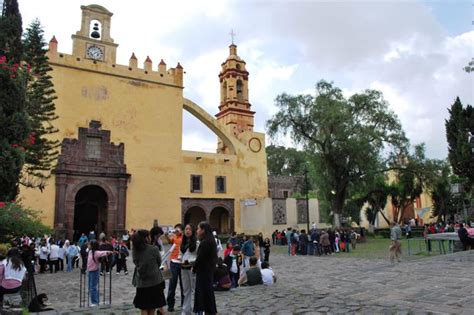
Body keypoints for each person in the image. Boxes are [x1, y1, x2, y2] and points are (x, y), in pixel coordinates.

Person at [132, 229, 166, 315]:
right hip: (155, 282)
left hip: (142, 283)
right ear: (146, 238)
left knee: (143, 307)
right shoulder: (153, 249)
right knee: (152, 307)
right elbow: (159, 262)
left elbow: (135, 262)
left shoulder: (135, 250)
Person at [193, 221, 218, 315]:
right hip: (208, 271)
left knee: (204, 293)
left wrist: (194, 267)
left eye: (198, 229)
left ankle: (208, 311)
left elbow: (200, 258)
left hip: (203, 271)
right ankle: (210, 311)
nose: (197, 231)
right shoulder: (211, 240)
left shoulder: (205, 243)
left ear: (203, 230)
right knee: (208, 292)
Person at [87, 240, 113, 306]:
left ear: (92, 246)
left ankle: (95, 302)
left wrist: (109, 252)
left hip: (94, 271)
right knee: (91, 287)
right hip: (90, 271)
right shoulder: (90, 251)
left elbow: (103, 252)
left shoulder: (96, 253)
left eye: (89, 244)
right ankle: (95, 300)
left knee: (93, 287)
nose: (88, 245)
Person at [164, 224, 183, 312]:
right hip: (174, 263)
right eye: (176, 229)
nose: (176, 231)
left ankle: (184, 303)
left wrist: (182, 233)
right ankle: (170, 304)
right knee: (172, 284)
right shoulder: (174, 237)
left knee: (183, 285)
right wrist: (166, 235)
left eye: (178, 229)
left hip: (183, 263)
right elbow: (169, 241)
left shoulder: (185, 237)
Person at [180, 224, 198, 315]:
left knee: (195, 289)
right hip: (183, 268)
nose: (187, 231)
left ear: (193, 231)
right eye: (186, 229)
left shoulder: (196, 243)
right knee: (186, 290)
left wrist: (193, 262)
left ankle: (196, 309)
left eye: (189, 229)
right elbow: (181, 255)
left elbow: (199, 256)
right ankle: (186, 310)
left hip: (192, 268)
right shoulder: (182, 242)